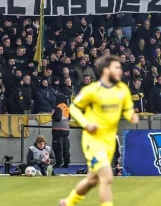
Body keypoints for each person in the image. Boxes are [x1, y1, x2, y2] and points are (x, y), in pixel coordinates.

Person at [60, 55, 139, 206]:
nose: (120, 71)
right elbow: (74, 108)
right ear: (106, 70)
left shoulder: (122, 89)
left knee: (92, 180)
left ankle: (68, 202)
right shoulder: (92, 90)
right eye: (116, 67)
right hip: (93, 140)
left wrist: (132, 116)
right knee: (107, 177)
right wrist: (86, 123)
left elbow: (128, 109)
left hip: (109, 142)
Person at [52, 98, 71, 169]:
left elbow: (57, 118)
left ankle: (58, 163)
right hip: (66, 130)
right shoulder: (66, 107)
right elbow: (68, 118)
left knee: (58, 148)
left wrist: (53, 115)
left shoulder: (58, 107)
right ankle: (66, 162)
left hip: (58, 130)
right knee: (66, 147)